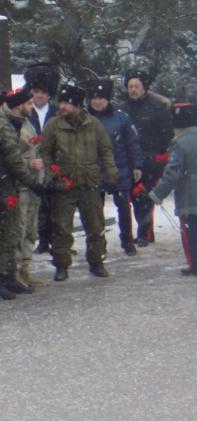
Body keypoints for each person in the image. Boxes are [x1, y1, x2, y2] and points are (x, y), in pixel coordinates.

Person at [41, 82, 117, 282]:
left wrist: (111, 172)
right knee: (62, 228)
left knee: (95, 226)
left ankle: (97, 262)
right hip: (63, 185)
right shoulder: (53, 125)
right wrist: (51, 174)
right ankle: (61, 265)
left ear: (77, 104)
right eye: (61, 102)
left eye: (66, 103)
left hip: (89, 182)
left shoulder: (94, 125)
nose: (62, 106)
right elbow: (45, 153)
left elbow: (105, 150)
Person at [148, 103, 197, 277]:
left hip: (190, 195)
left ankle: (195, 265)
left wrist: (157, 194)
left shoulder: (179, 144)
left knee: (191, 232)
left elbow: (172, 174)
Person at [85, 79, 143, 256]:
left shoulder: (121, 118)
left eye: (102, 98)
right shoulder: (84, 118)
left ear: (108, 99)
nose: (98, 102)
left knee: (124, 207)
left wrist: (137, 165)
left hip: (119, 168)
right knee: (95, 210)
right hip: (93, 170)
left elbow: (133, 143)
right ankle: (96, 244)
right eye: (94, 98)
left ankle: (127, 240)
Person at [0, 91, 46, 299]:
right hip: (4, 185)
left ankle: (10, 275)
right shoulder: (5, 127)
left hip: (9, 186)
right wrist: (33, 183)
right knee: (5, 232)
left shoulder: (14, 123)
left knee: (11, 232)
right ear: (19, 106)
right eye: (28, 103)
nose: (32, 106)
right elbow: (13, 160)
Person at [123, 70, 173, 247]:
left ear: (144, 88)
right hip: (129, 161)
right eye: (130, 87)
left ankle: (145, 233)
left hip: (151, 160)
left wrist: (161, 155)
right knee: (132, 198)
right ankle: (140, 231)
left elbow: (167, 134)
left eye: (136, 86)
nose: (133, 90)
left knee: (144, 198)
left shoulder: (157, 109)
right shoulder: (123, 109)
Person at [25, 63, 58, 256]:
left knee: (55, 204)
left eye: (43, 92)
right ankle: (43, 239)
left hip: (53, 162)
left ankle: (58, 240)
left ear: (49, 94)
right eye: (36, 91)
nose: (39, 96)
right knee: (38, 206)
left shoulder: (56, 112)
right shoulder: (27, 111)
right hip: (32, 162)